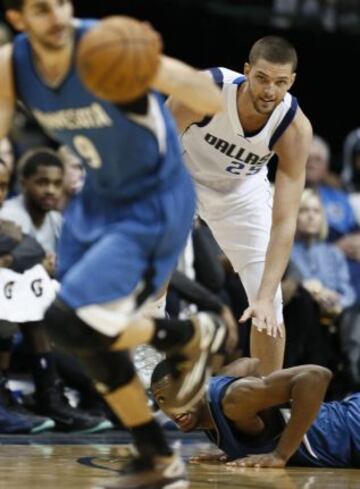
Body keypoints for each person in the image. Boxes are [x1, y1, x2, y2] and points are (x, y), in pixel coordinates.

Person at [0, 2, 232, 488]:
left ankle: (188, 336)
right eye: (42, 10)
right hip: (96, 200)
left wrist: (150, 62)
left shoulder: (107, 46)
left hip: (152, 200)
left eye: (62, 3)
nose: (59, 17)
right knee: (80, 336)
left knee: (65, 319)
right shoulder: (12, 66)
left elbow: (209, 102)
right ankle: (156, 454)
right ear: (18, 19)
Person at [167, 36, 313, 375]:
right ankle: (153, 361)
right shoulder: (206, 89)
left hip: (240, 192)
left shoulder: (295, 129)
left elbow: (285, 221)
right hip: (182, 172)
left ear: (291, 82)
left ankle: (265, 401)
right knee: (156, 251)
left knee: (270, 302)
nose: (268, 90)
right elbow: (157, 147)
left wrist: (263, 296)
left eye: (280, 82)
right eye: (261, 78)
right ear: (246, 71)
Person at [152, 357, 359, 469]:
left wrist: (280, 454)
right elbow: (249, 363)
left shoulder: (234, 400)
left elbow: (316, 376)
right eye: (162, 400)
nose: (172, 408)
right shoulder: (213, 395)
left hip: (352, 428)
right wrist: (237, 449)